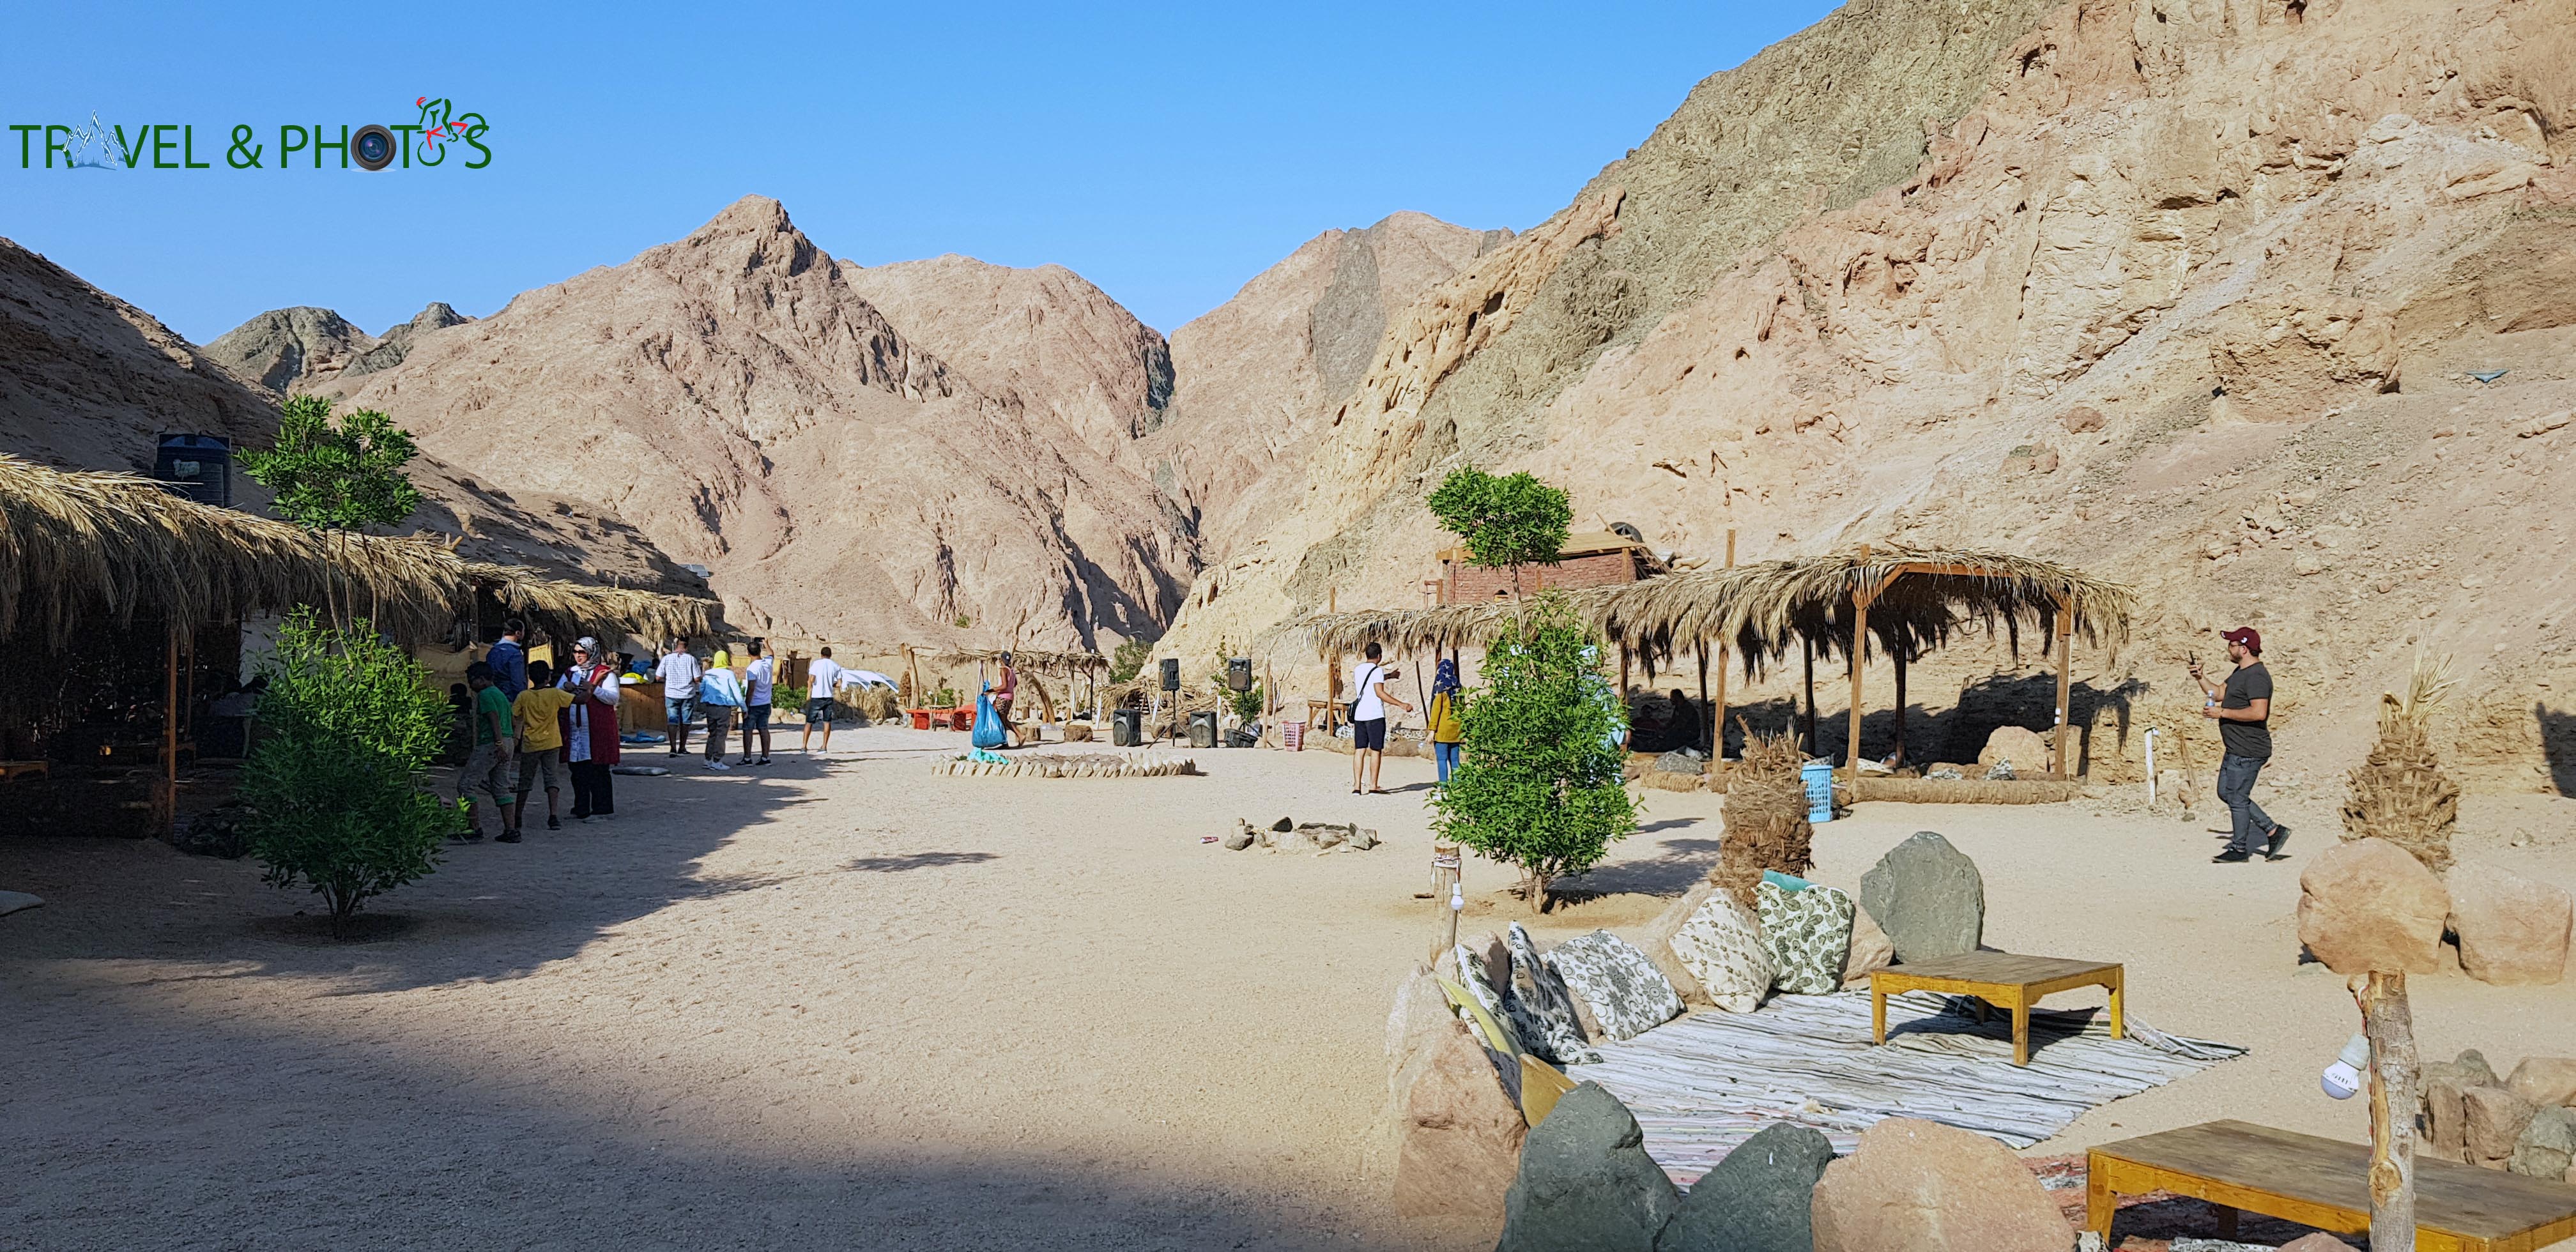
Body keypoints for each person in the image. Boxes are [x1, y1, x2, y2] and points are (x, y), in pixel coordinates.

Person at [2195, 626, 2288, 864]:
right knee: (2226, 793)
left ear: (2244, 649)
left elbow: (2258, 713)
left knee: (2237, 797)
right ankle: (2273, 830)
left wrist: (2222, 713)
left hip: (2249, 749)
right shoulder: (2240, 672)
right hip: (2235, 748)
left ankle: (2239, 849)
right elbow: (2218, 693)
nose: (2229, 649)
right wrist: (2200, 678)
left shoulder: (2257, 677)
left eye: (2232, 645)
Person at [560, 637, 622, 821]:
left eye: (582, 652)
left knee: (598, 768)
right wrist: (566, 688)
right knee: (577, 769)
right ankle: (581, 807)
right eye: (576, 652)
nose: (578, 656)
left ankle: (602, 809)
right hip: (576, 730)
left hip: (597, 728)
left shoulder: (605, 673)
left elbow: (613, 698)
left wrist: (593, 689)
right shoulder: (570, 673)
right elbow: (558, 693)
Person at [456, 660, 518, 842]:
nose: (470, 685)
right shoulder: (500, 694)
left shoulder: (485, 695)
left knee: (466, 785)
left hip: (491, 744)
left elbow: (493, 718)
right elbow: (513, 721)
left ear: (482, 680)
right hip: (508, 741)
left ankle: (473, 828)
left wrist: (498, 743)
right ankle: (511, 830)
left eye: (471, 680)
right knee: (501, 787)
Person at [511, 659, 574, 833]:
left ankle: (517, 816)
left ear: (530, 677)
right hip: (552, 741)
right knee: (551, 779)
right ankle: (553, 816)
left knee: (525, 780)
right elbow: (579, 700)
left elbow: (514, 715)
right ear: (548, 678)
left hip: (531, 742)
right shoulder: (555, 694)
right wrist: (586, 688)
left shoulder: (524, 696)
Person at [1349, 641, 1413, 795]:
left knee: (1360, 750)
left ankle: (1357, 786)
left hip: (1360, 715)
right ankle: (1373, 786)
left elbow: (1371, 680)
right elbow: (1379, 692)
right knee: (1376, 750)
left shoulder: (1358, 670)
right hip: (1374, 715)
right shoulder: (1377, 670)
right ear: (1379, 656)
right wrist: (1401, 704)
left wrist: (1389, 676)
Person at [698, 647, 743, 771]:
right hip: (723, 707)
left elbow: (701, 690)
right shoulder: (729, 674)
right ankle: (717, 760)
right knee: (721, 734)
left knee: (712, 733)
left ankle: (708, 759)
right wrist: (743, 707)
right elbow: (736, 692)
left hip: (710, 707)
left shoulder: (708, 674)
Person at [656, 638, 702, 757]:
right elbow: (697, 678)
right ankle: (682, 747)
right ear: (687, 647)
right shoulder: (691, 659)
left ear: (676, 646)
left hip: (671, 694)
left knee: (672, 720)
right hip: (688, 694)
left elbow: (658, 677)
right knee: (685, 721)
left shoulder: (666, 659)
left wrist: (668, 680)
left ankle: (672, 748)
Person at [1427, 657, 1465, 786]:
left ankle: (1443, 785)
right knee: (1455, 760)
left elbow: (1436, 712)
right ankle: (1457, 784)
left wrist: (1432, 730)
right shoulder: (1459, 688)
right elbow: (1462, 708)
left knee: (1442, 759)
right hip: (1456, 730)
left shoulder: (1440, 690)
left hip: (1442, 731)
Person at [802, 646, 847, 753]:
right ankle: (824, 746)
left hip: (817, 696)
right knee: (827, 722)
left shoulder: (816, 664)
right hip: (828, 696)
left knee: (809, 722)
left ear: (821, 655)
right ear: (830, 655)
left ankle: (804, 746)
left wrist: (809, 691)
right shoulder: (835, 666)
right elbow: (840, 683)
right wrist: (831, 685)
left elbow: (811, 679)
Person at [740, 639, 774, 765]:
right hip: (766, 702)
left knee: (748, 730)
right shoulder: (767, 663)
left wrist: (746, 706)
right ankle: (765, 757)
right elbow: (771, 654)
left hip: (754, 703)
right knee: (764, 729)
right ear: (760, 651)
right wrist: (766, 643)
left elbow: (751, 688)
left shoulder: (752, 668)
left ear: (748, 653)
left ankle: (747, 758)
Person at [486, 619, 529, 699]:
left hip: (494, 696)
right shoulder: (515, 655)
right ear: (518, 633)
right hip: (509, 697)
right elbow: (517, 682)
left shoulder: (493, 651)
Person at [993, 652, 1020, 748]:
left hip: (1003, 698)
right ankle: (1007, 742)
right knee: (1003, 719)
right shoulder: (1012, 671)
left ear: (1001, 659)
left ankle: (1015, 738)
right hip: (1010, 697)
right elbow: (1015, 683)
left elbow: (1004, 686)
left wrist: (992, 690)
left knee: (1002, 720)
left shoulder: (1003, 670)